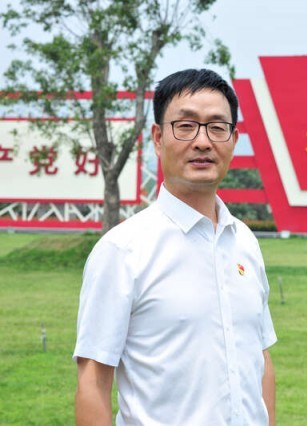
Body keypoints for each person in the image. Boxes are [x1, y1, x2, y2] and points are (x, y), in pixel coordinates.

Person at [73, 69, 277, 425]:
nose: (203, 142)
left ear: (233, 139)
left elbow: (260, 357)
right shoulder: (122, 251)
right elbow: (93, 380)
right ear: (158, 137)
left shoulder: (244, 241)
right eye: (186, 126)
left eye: (217, 127)